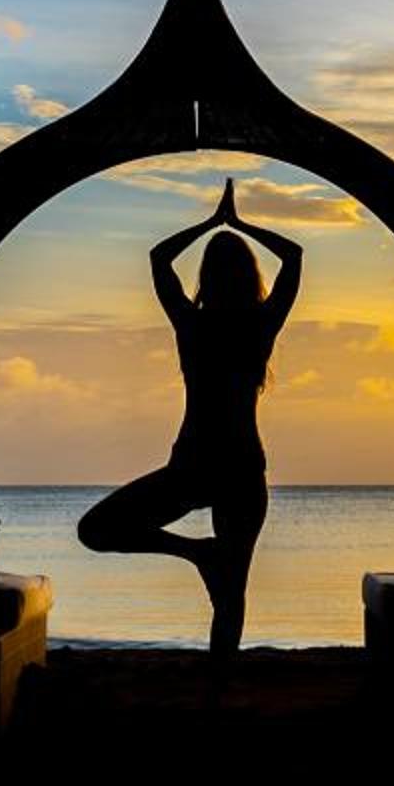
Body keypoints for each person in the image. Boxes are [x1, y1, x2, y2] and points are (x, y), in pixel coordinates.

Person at [78, 177, 302, 659]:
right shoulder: (260, 325)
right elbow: (294, 256)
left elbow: (159, 258)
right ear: (249, 275)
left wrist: (211, 223)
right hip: (238, 466)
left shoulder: (192, 323)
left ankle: (198, 554)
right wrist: (239, 224)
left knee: (96, 529)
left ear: (207, 276)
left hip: (197, 464)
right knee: (231, 592)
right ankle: (219, 672)